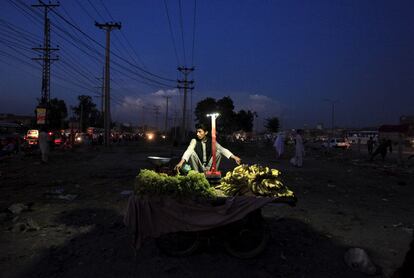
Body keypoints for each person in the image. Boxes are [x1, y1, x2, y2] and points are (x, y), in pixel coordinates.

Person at [175, 123, 242, 173]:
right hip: (199, 166)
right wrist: (181, 162)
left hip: (208, 166)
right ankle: (196, 174)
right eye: (197, 132)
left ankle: (212, 172)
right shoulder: (194, 140)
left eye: (200, 132)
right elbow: (188, 151)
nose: (197, 134)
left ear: (206, 132)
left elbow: (222, 149)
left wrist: (234, 157)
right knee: (192, 153)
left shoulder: (212, 141)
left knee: (218, 153)